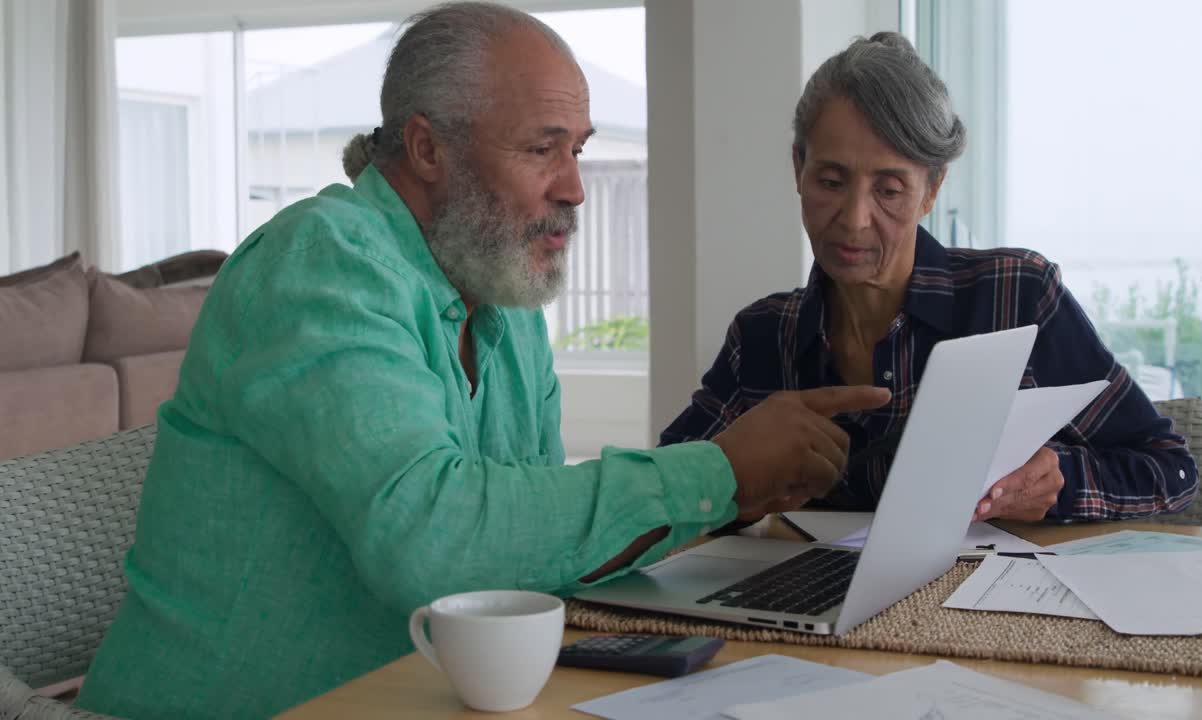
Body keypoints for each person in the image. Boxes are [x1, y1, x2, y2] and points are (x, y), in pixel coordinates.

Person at [75, 4, 889, 718]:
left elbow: (528, 561)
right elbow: (432, 542)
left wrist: (723, 497)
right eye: (543, 149)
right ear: (429, 147)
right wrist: (715, 474)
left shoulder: (499, 292)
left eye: (578, 148)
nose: (574, 186)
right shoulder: (320, 264)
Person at [661, 32, 1199, 525]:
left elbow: (1171, 468)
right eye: (830, 180)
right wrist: (733, 476)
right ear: (797, 167)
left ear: (932, 189)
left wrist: (1058, 481)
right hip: (810, 616)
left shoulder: (1017, 296)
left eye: (889, 190)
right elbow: (654, 495)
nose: (853, 219)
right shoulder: (762, 337)